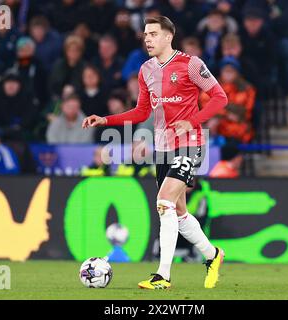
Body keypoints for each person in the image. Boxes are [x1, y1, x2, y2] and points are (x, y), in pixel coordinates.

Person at [83, 16, 228, 290]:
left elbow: (220, 97)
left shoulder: (191, 65)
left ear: (168, 37)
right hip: (162, 149)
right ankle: (213, 255)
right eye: (145, 34)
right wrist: (105, 119)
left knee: (164, 203)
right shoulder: (145, 70)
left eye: (153, 34)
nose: (147, 39)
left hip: (190, 143)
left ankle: (163, 276)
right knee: (179, 212)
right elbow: (142, 112)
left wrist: (193, 121)